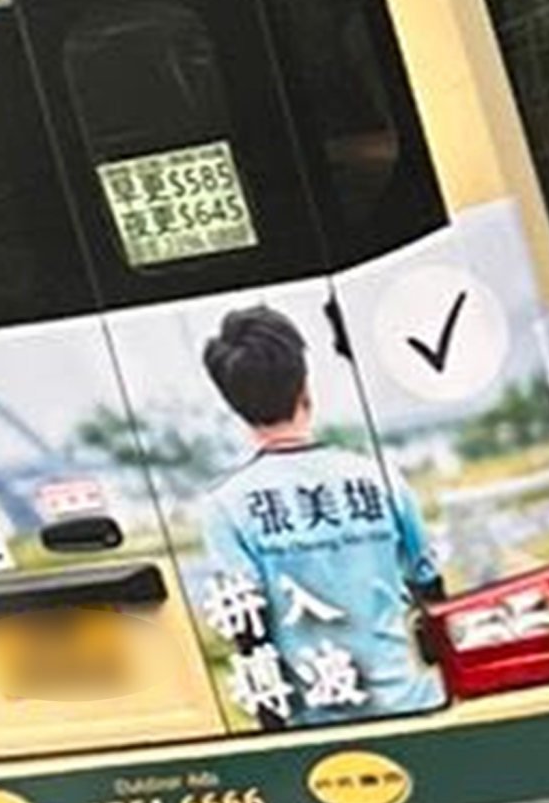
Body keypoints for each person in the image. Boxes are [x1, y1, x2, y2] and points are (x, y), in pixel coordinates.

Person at [191, 304, 445, 725]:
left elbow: (250, 633)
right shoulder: (379, 477)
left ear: (234, 406)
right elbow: (430, 588)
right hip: (415, 705)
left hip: (316, 725)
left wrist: (279, 735)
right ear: (305, 387)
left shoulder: (224, 507)